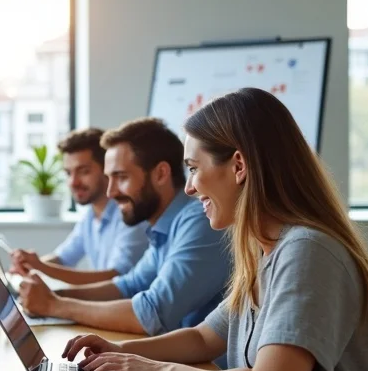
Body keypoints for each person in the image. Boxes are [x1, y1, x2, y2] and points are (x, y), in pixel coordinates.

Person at [62, 88, 368, 371]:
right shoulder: (263, 249)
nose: (188, 188)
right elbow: (204, 338)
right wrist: (120, 353)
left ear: (238, 166)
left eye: (193, 167)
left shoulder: (308, 251)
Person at [17, 118, 230, 335]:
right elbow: (127, 286)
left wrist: (54, 305)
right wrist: (54, 296)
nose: (110, 192)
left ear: (161, 174)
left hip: (210, 367)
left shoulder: (199, 222)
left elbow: (152, 314)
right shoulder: (163, 227)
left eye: (121, 177)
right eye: (109, 178)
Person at [9, 127, 150, 285]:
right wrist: (29, 264)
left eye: (83, 171)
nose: (73, 182)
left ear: (107, 168)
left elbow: (115, 278)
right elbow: (62, 258)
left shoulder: (130, 214)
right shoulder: (90, 216)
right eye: (68, 173)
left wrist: (40, 267)